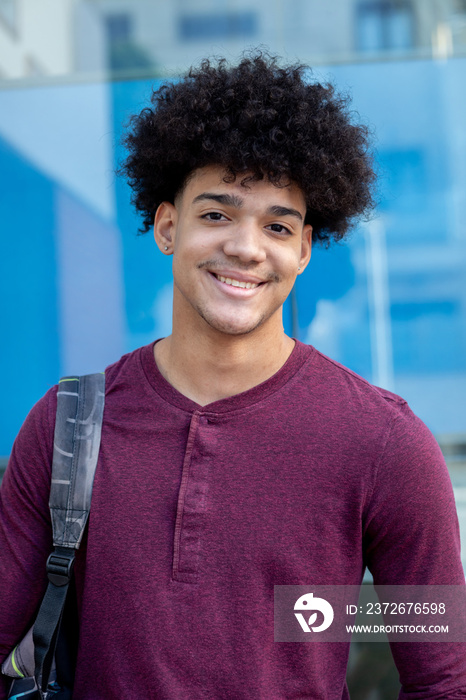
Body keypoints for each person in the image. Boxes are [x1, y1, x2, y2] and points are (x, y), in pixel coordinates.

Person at [0, 53, 465, 699]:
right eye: (217, 214)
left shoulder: (385, 443)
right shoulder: (67, 426)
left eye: (277, 225)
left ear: (303, 249)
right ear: (169, 226)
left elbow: (444, 681)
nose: (246, 247)